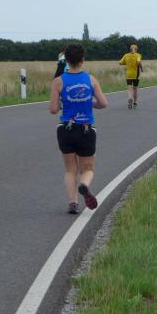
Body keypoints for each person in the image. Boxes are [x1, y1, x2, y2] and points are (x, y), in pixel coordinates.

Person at [49, 43, 109, 214]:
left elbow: (53, 109)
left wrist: (63, 103)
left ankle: (73, 203)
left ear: (66, 60)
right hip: (86, 129)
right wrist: (90, 103)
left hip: (65, 129)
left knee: (70, 170)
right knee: (87, 169)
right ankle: (84, 184)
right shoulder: (91, 80)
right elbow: (104, 103)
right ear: (83, 60)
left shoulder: (58, 81)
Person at [119, 43, 143, 109]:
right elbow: (138, 62)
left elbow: (120, 62)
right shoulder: (138, 55)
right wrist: (141, 68)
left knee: (129, 88)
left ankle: (130, 98)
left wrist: (127, 63)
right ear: (136, 49)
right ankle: (135, 102)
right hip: (136, 74)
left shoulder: (126, 55)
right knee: (135, 89)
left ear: (130, 49)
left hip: (128, 74)